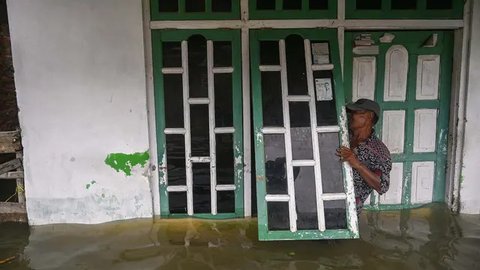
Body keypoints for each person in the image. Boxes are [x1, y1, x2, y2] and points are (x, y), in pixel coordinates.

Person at [336, 99, 392, 214]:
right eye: (350, 113)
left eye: (356, 112)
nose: (351, 116)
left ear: (370, 116)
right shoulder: (342, 135)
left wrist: (357, 164)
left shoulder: (379, 151)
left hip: (347, 212)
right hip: (324, 199)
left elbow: (382, 186)